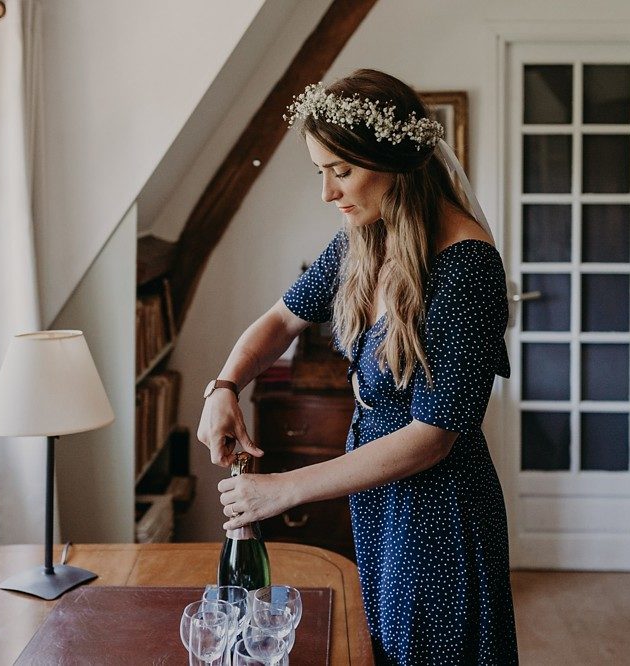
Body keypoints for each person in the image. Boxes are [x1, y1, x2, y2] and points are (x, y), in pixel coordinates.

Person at [197, 69, 518, 664]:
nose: (328, 192)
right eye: (320, 171)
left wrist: (282, 489)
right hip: (378, 493)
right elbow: (281, 320)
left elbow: (433, 437)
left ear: (393, 162)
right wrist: (224, 386)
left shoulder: (466, 266)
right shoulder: (362, 237)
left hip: (436, 510)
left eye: (341, 171)